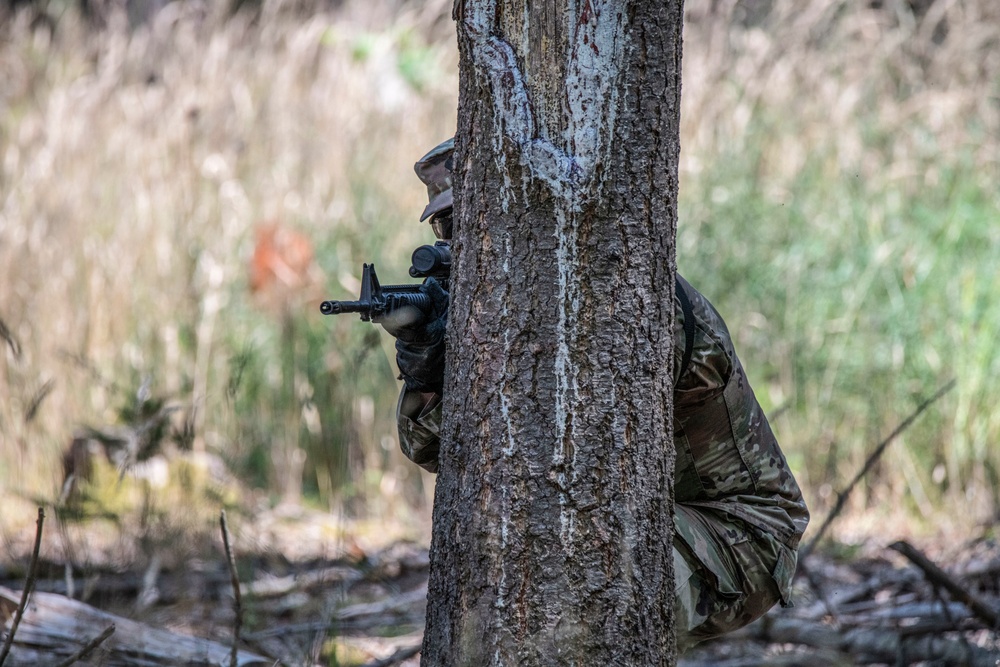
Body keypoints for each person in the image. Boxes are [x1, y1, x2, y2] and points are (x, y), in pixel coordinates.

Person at [380, 138, 810, 651]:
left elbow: (571, 469)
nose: (457, 245)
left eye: (472, 224)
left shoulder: (633, 301)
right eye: (446, 230)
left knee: (583, 590)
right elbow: (442, 454)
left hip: (741, 533)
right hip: (649, 516)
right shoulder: (517, 314)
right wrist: (428, 371)